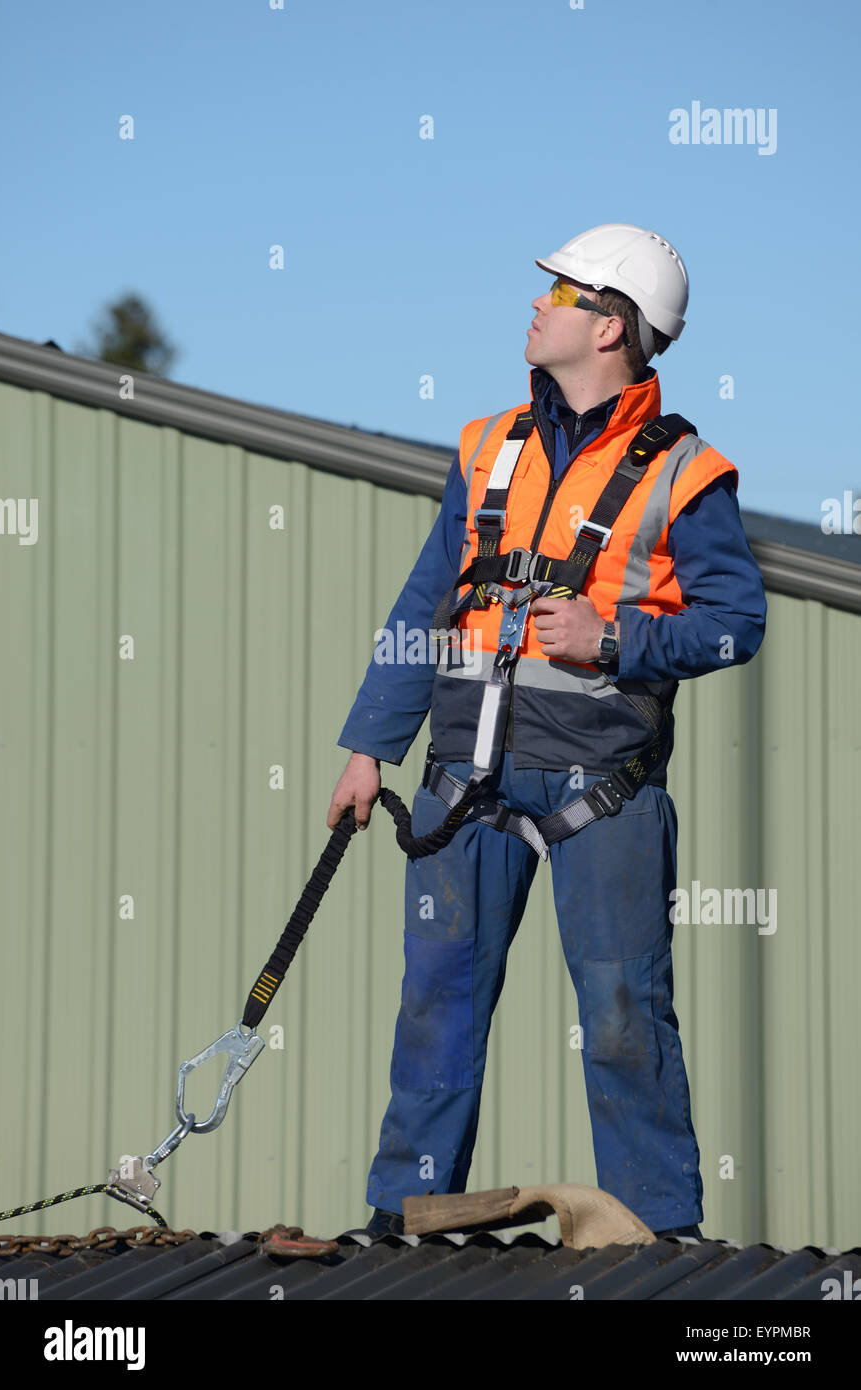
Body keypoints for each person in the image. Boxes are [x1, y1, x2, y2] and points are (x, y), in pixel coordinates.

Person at [327, 223, 767, 1240]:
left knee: (621, 1020)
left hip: (600, 791)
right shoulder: (487, 447)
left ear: (609, 326)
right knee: (435, 1005)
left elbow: (735, 624)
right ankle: (405, 1218)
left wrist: (612, 640)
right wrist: (367, 748)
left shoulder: (689, 473)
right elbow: (423, 601)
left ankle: (660, 1231)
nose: (536, 307)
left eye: (559, 295)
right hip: (458, 780)